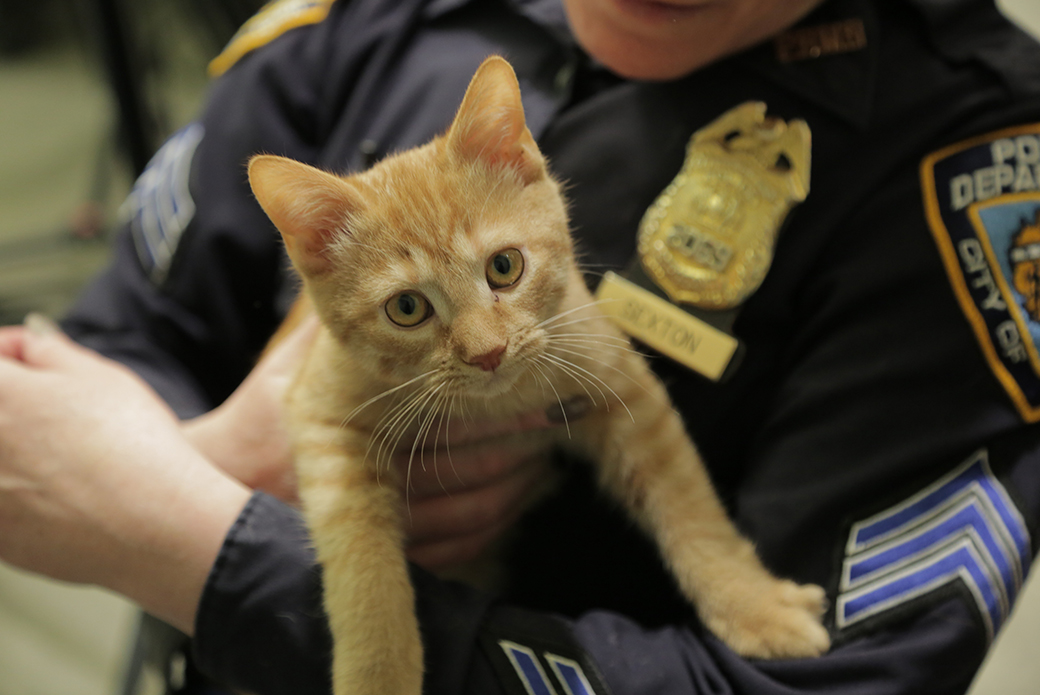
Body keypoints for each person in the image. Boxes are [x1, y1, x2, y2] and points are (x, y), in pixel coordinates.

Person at [2, 0, 1040, 692]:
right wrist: (227, 461)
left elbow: (807, 682)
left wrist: (188, 533)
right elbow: (129, 331)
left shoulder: (980, 164)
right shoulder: (378, 17)